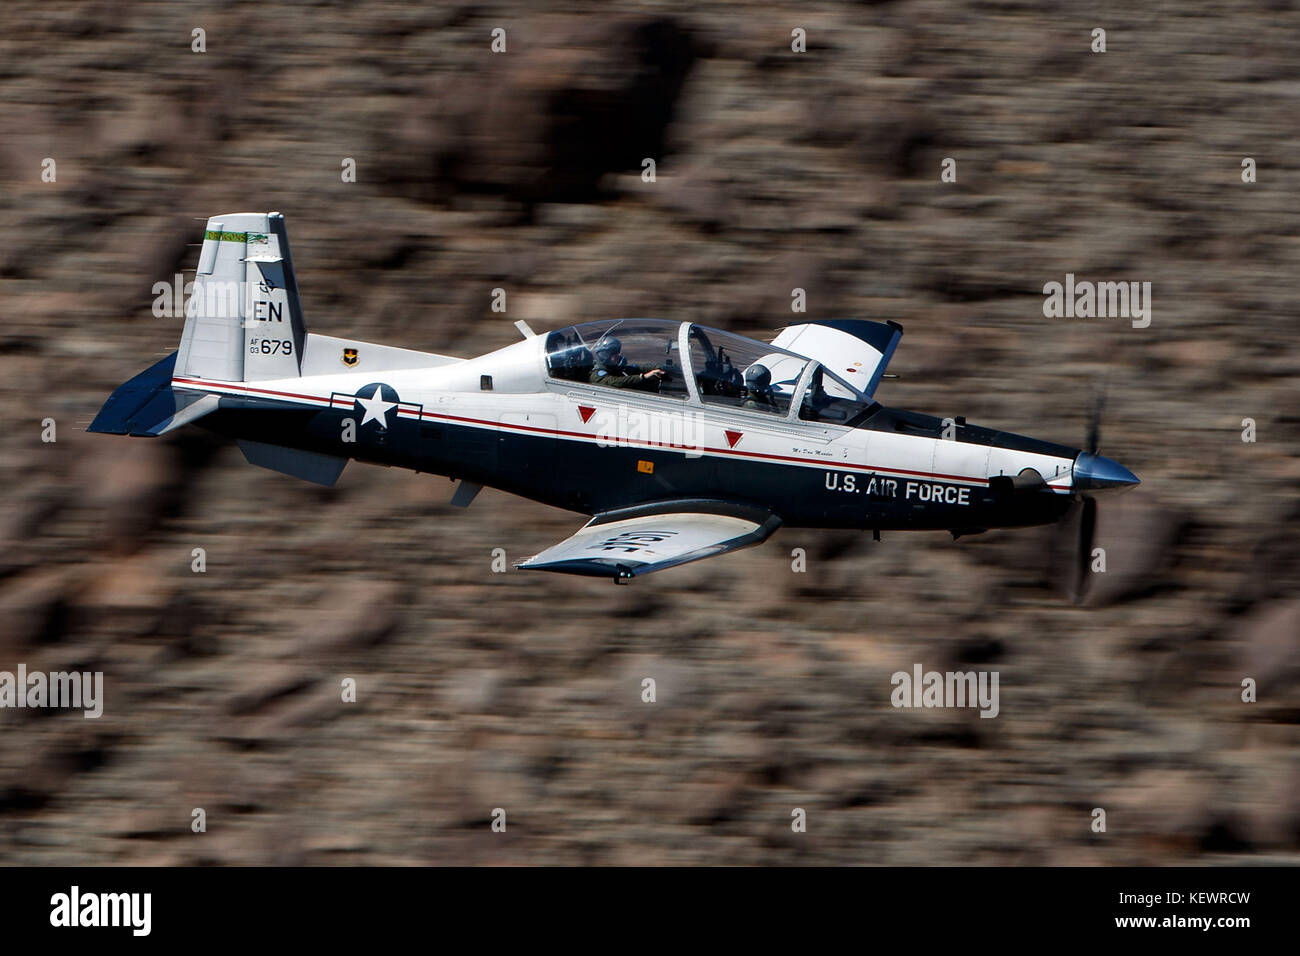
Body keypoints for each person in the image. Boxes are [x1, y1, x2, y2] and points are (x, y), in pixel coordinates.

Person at [589, 336, 666, 390]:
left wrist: (660, 367)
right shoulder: (597, 374)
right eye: (615, 352)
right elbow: (616, 381)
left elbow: (637, 368)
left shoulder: (614, 368)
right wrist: (643, 377)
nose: (619, 355)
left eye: (618, 351)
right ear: (605, 355)